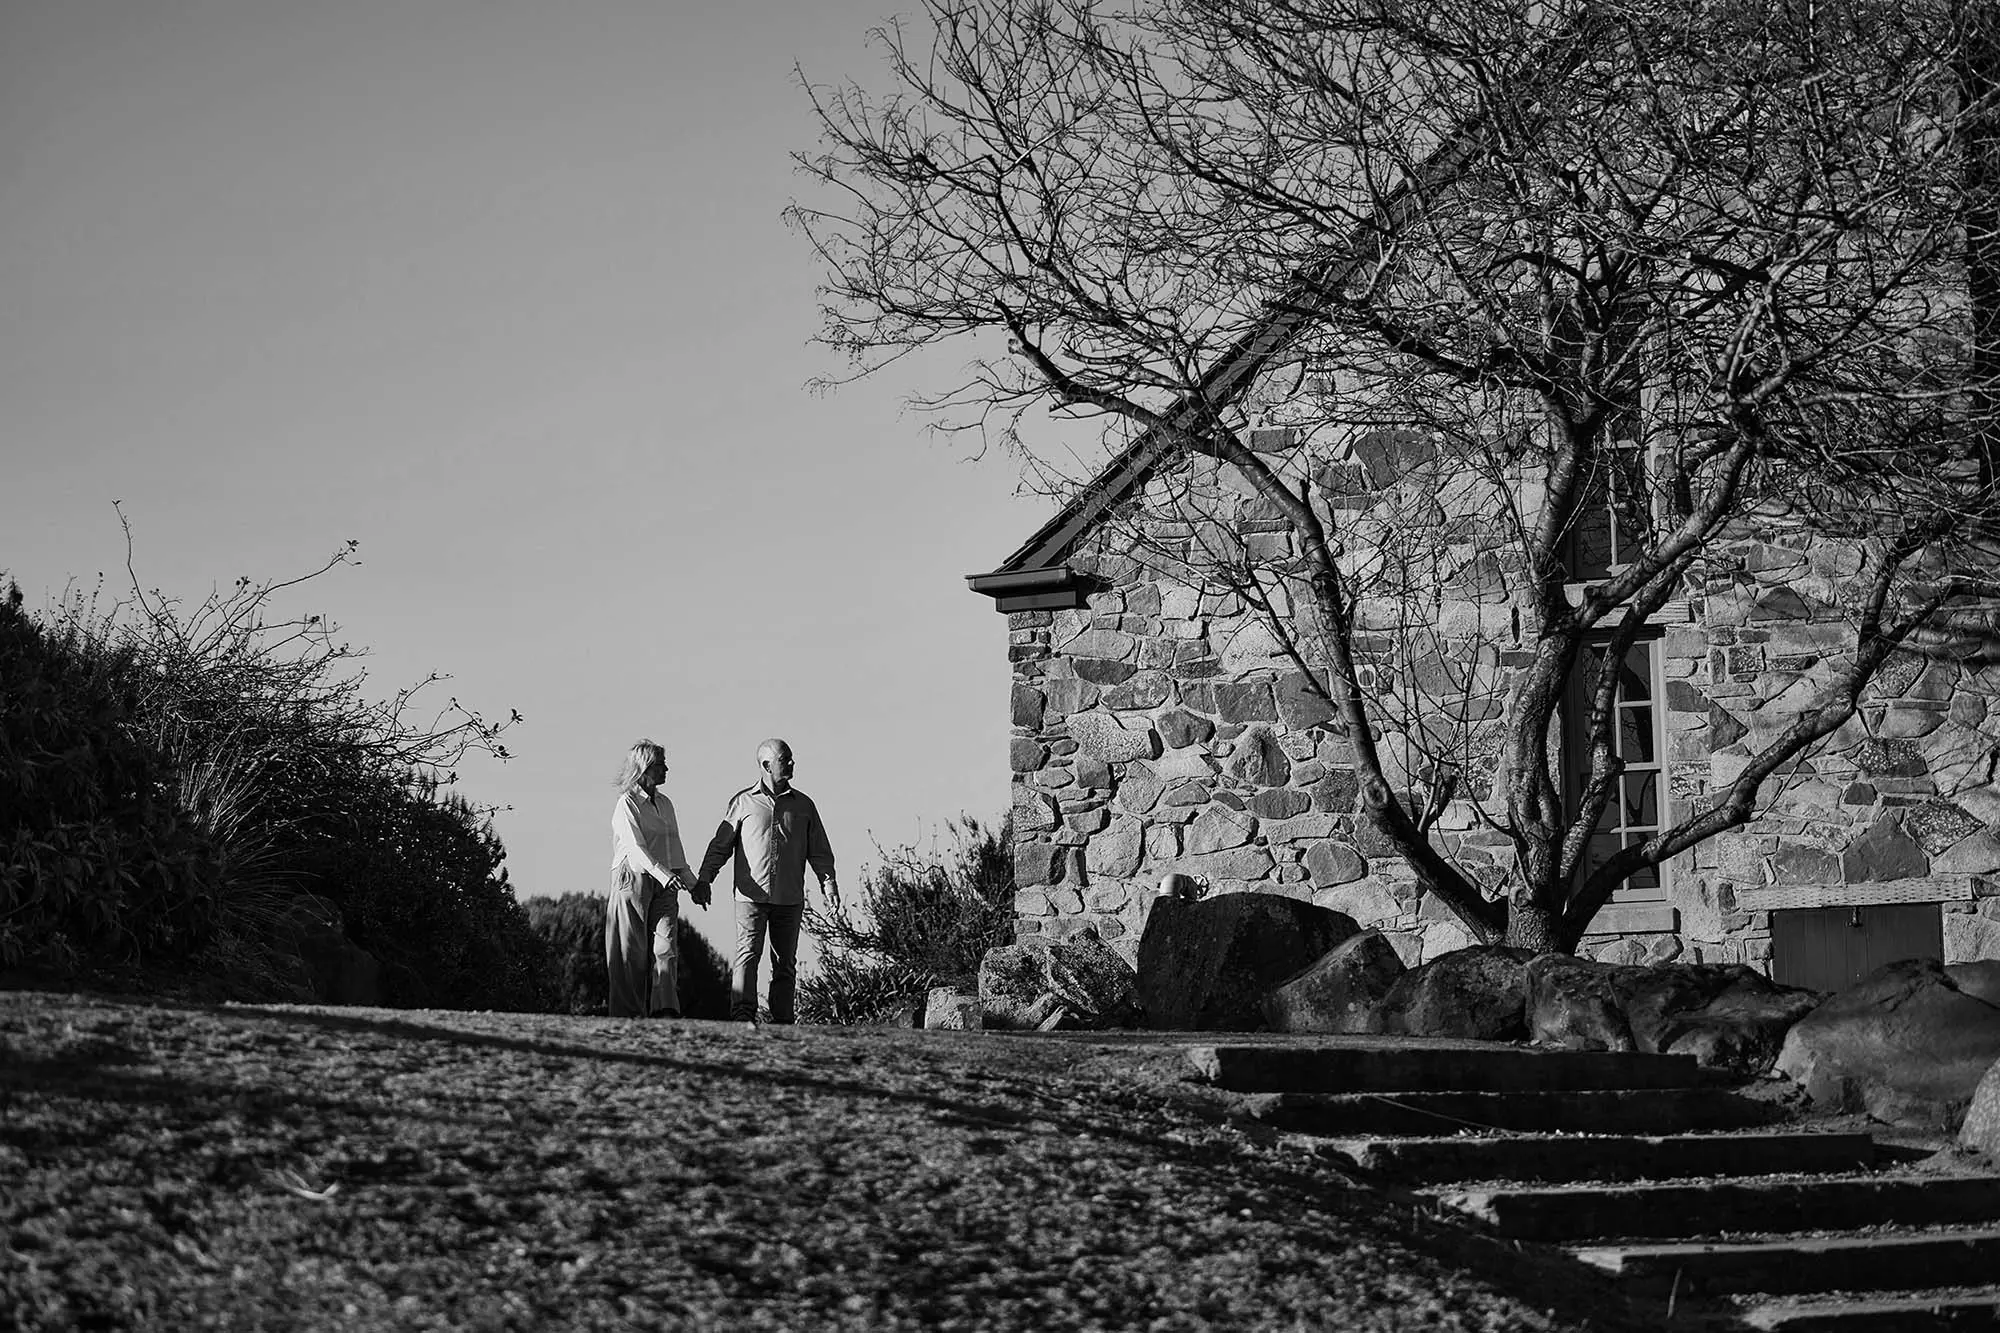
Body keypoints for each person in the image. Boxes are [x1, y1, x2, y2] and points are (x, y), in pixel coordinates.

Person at [694, 738, 836, 1024]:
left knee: (785, 963)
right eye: (785, 759)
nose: (792, 763)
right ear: (766, 765)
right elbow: (720, 846)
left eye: (791, 758)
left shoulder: (804, 806)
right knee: (748, 954)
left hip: (789, 898)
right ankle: (742, 1016)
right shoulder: (742, 802)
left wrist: (829, 885)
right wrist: (705, 878)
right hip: (750, 897)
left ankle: (782, 1022)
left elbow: (819, 851)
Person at [608, 739, 707, 1018]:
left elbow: (674, 848)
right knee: (631, 951)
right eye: (661, 765)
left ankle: (665, 1010)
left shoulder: (665, 803)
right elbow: (635, 848)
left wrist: (693, 885)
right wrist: (664, 875)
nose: (666, 769)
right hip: (634, 879)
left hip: (666, 882)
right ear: (645, 768)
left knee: (666, 946)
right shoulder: (627, 804)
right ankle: (628, 1014)